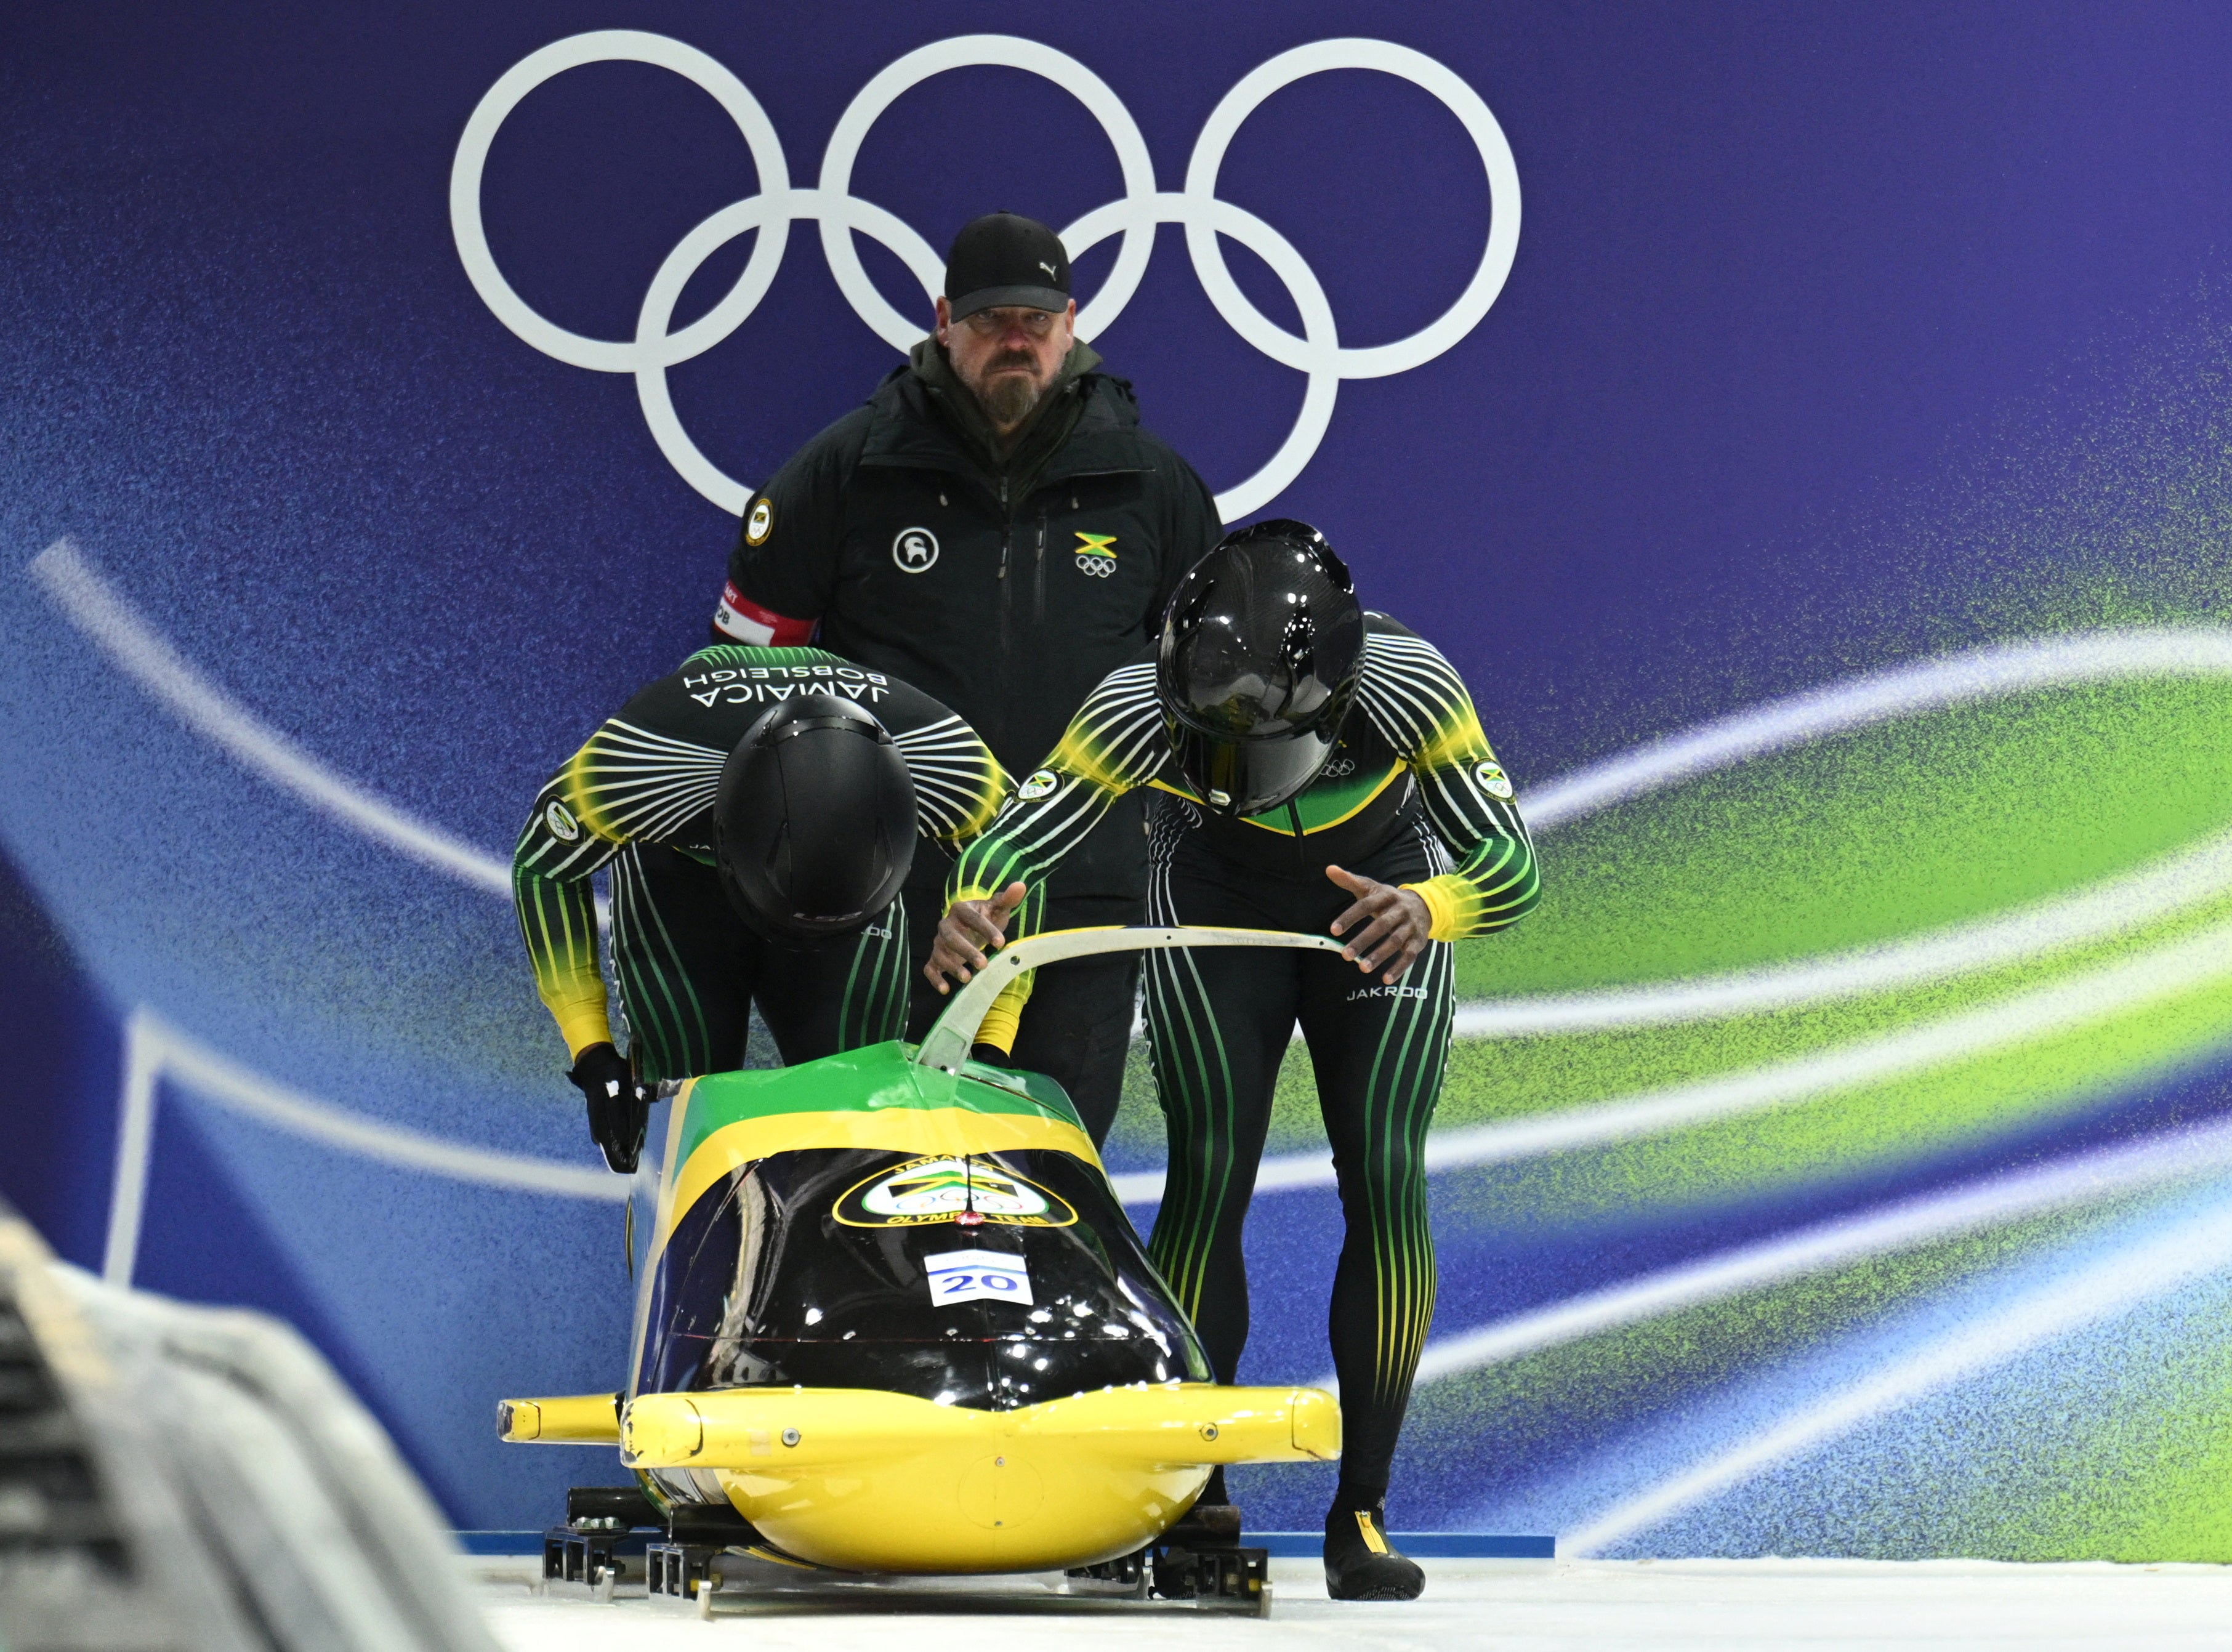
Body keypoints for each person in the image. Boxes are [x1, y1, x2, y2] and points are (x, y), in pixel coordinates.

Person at [927, 522, 1540, 1602]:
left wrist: (1430, 906)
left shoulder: (1411, 683)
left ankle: (1362, 1503)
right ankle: (1193, 1481)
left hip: (1378, 905)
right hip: (1215, 894)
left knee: (1385, 1171)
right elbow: (1009, 839)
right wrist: (972, 907)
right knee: (1211, 1170)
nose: (1232, 763)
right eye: (1208, 739)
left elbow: (1513, 863)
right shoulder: (1130, 702)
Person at [707, 211, 1222, 1145]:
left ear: (1070, 322)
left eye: (1033, 318)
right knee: (872, 1178)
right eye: (991, 322)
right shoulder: (847, 469)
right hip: (878, 898)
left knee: (1050, 1175)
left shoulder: (1152, 486)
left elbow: (1204, 701)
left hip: (1078, 904)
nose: (1014, 341)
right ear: (944, 321)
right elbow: (740, 677)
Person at [513, 643, 1006, 1171]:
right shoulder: (642, 767)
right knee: (688, 1101)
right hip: (679, 879)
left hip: (841, 897)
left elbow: (1016, 863)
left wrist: (994, 1041)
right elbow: (541, 868)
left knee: (864, 1110)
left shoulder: (945, 760)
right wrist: (590, 1050)